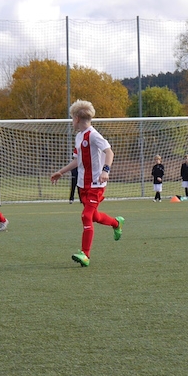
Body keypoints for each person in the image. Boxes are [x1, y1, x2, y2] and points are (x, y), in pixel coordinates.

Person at [50, 99, 124, 267]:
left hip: (96, 185)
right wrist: (61, 172)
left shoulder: (93, 135)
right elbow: (77, 161)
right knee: (94, 216)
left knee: (86, 216)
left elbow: (109, 152)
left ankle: (85, 254)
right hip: (82, 184)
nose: (72, 121)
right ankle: (116, 223)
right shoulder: (79, 137)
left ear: (76, 118)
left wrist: (105, 171)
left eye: (72, 118)